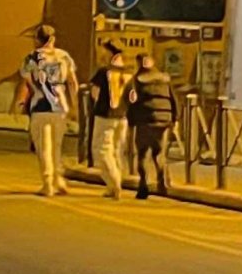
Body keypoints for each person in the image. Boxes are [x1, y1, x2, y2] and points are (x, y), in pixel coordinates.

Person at [16, 25, 79, 197]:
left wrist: (19, 103)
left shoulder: (31, 58)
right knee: (56, 146)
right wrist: (74, 105)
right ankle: (59, 180)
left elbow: (26, 82)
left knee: (44, 147)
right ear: (52, 39)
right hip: (60, 107)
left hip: (40, 106)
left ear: (38, 39)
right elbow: (73, 83)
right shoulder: (64, 56)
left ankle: (48, 183)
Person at [130, 53, 178, 199]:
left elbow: (133, 101)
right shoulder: (165, 79)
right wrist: (175, 119)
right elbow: (174, 99)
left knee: (143, 153)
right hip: (164, 120)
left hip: (145, 119)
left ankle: (143, 185)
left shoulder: (137, 80)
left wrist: (131, 121)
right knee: (159, 153)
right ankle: (161, 181)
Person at [89, 49, 135, 199]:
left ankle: (114, 182)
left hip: (105, 115)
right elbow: (133, 97)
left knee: (101, 150)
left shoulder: (104, 72)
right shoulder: (130, 74)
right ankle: (114, 185)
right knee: (117, 151)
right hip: (123, 116)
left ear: (113, 56)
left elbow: (94, 92)